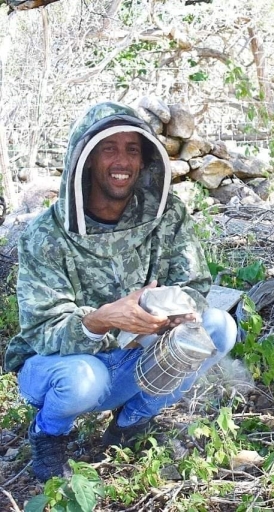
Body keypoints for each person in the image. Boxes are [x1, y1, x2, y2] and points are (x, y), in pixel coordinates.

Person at [3, 102, 237, 482]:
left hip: (137, 354)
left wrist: (172, 313)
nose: (121, 161)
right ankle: (49, 434)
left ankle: (130, 423)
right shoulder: (45, 235)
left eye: (131, 149)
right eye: (109, 148)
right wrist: (100, 320)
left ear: (144, 161)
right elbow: (42, 331)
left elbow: (194, 284)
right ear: (87, 159)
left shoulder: (165, 213)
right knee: (83, 379)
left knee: (218, 328)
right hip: (64, 365)